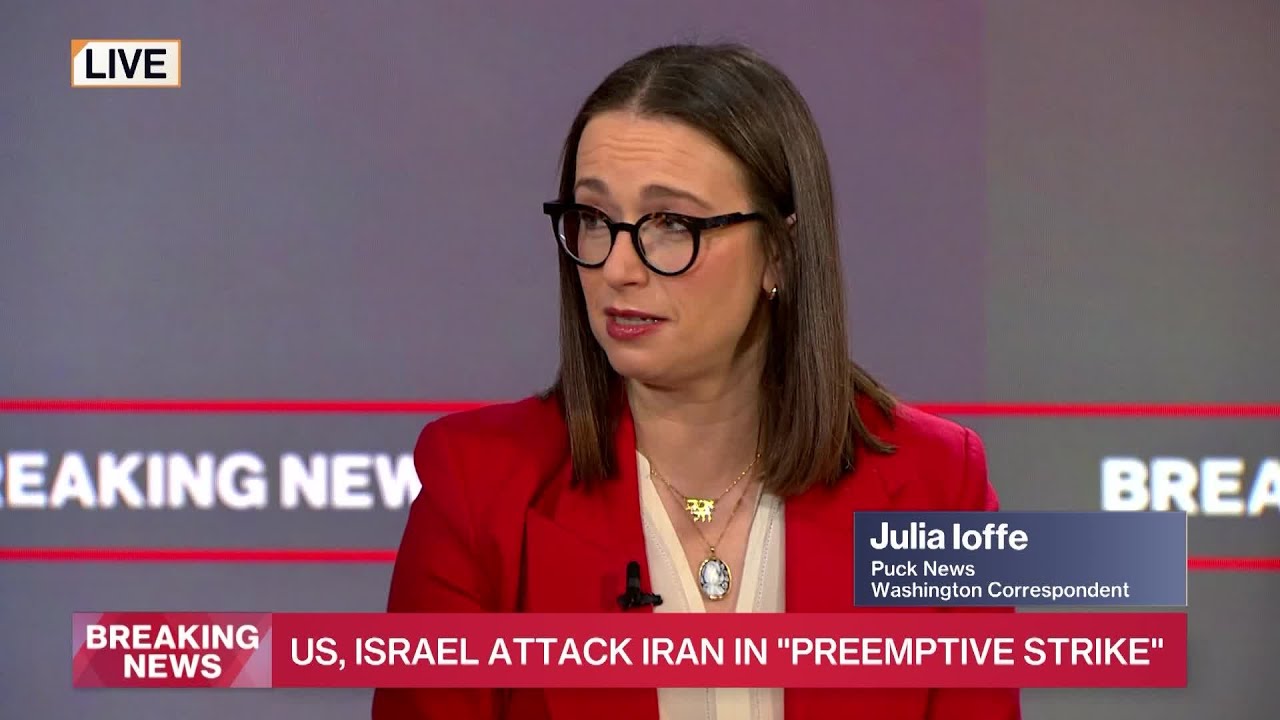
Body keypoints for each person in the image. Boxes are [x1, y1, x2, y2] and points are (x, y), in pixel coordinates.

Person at [372, 43, 1020, 720]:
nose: (618, 268)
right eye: (593, 220)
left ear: (779, 253)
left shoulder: (938, 488)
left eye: (671, 224)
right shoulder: (478, 489)